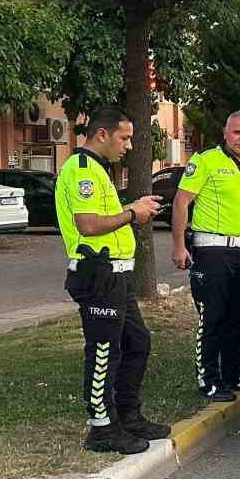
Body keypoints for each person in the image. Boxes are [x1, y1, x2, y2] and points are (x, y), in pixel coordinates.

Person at [55, 106, 167, 455]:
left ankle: (127, 415)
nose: (130, 146)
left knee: (137, 343)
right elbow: (88, 225)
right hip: (98, 275)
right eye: (125, 137)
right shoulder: (82, 170)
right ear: (101, 135)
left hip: (117, 276)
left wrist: (132, 207)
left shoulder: (100, 170)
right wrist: (134, 212)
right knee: (104, 350)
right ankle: (101, 429)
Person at [173, 111, 240, 402]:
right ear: (226, 132)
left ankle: (232, 374)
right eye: (238, 132)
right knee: (212, 316)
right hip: (212, 250)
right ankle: (209, 379)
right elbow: (181, 201)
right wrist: (179, 245)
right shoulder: (205, 160)